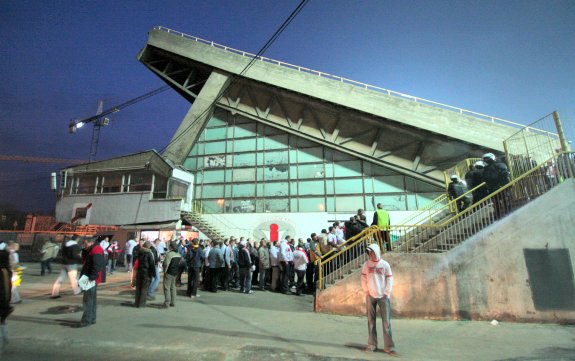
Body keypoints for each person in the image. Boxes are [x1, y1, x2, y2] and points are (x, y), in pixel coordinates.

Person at [361, 243, 396, 355]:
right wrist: (366, 291)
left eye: (371, 251)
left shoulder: (385, 264)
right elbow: (363, 278)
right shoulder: (366, 265)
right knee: (371, 321)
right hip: (370, 296)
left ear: (376, 252)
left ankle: (389, 347)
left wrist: (387, 292)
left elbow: (389, 279)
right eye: (368, 252)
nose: (370, 254)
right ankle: (372, 345)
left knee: (386, 322)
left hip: (383, 297)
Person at [78, 237, 104, 327]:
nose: (85, 245)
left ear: (91, 242)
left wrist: (92, 277)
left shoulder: (96, 250)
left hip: (90, 279)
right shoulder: (94, 249)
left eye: (86, 244)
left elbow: (97, 265)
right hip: (91, 278)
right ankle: (91, 318)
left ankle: (86, 320)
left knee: (88, 300)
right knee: (91, 299)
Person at [482, 153, 511, 220]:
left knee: (499, 202)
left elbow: (485, 179)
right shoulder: (499, 165)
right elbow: (505, 175)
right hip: (499, 187)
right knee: (502, 201)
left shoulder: (487, 169)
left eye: (487, 158)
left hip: (496, 188)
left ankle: (500, 215)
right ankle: (506, 213)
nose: (486, 160)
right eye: (485, 159)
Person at [0, 242, 13, 351]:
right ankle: (5, 339)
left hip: (2, 303)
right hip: (4, 303)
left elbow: (4, 291)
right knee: (2, 323)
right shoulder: (6, 271)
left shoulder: (3, 272)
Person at [134, 241, 155, 308]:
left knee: (138, 288)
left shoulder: (140, 252)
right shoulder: (149, 253)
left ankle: (136, 303)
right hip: (146, 273)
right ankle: (141, 304)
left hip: (139, 271)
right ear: (149, 246)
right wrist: (153, 273)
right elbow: (152, 264)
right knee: (144, 288)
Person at [162, 241, 181, 308]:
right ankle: (173, 302)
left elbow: (166, 263)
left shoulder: (169, 254)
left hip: (169, 272)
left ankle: (167, 303)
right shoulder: (178, 254)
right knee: (173, 287)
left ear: (170, 246)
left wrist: (164, 271)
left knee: (166, 287)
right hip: (175, 273)